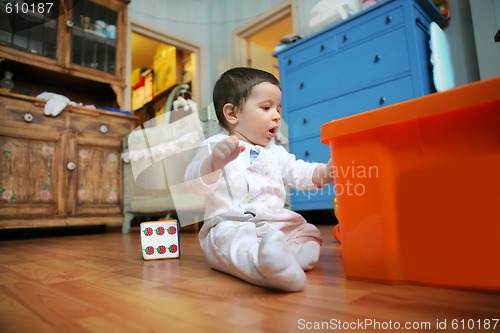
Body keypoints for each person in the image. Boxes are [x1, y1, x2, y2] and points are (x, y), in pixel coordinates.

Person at [185, 67, 333, 292]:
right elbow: (192, 184)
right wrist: (213, 163)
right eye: (266, 107)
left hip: (276, 224)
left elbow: (298, 171)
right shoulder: (215, 146)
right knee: (232, 243)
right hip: (230, 224)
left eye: (278, 108)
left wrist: (324, 172)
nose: (276, 115)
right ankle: (265, 266)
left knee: (308, 232)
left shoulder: (275, 151)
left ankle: (289, 258)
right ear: (232, 114)